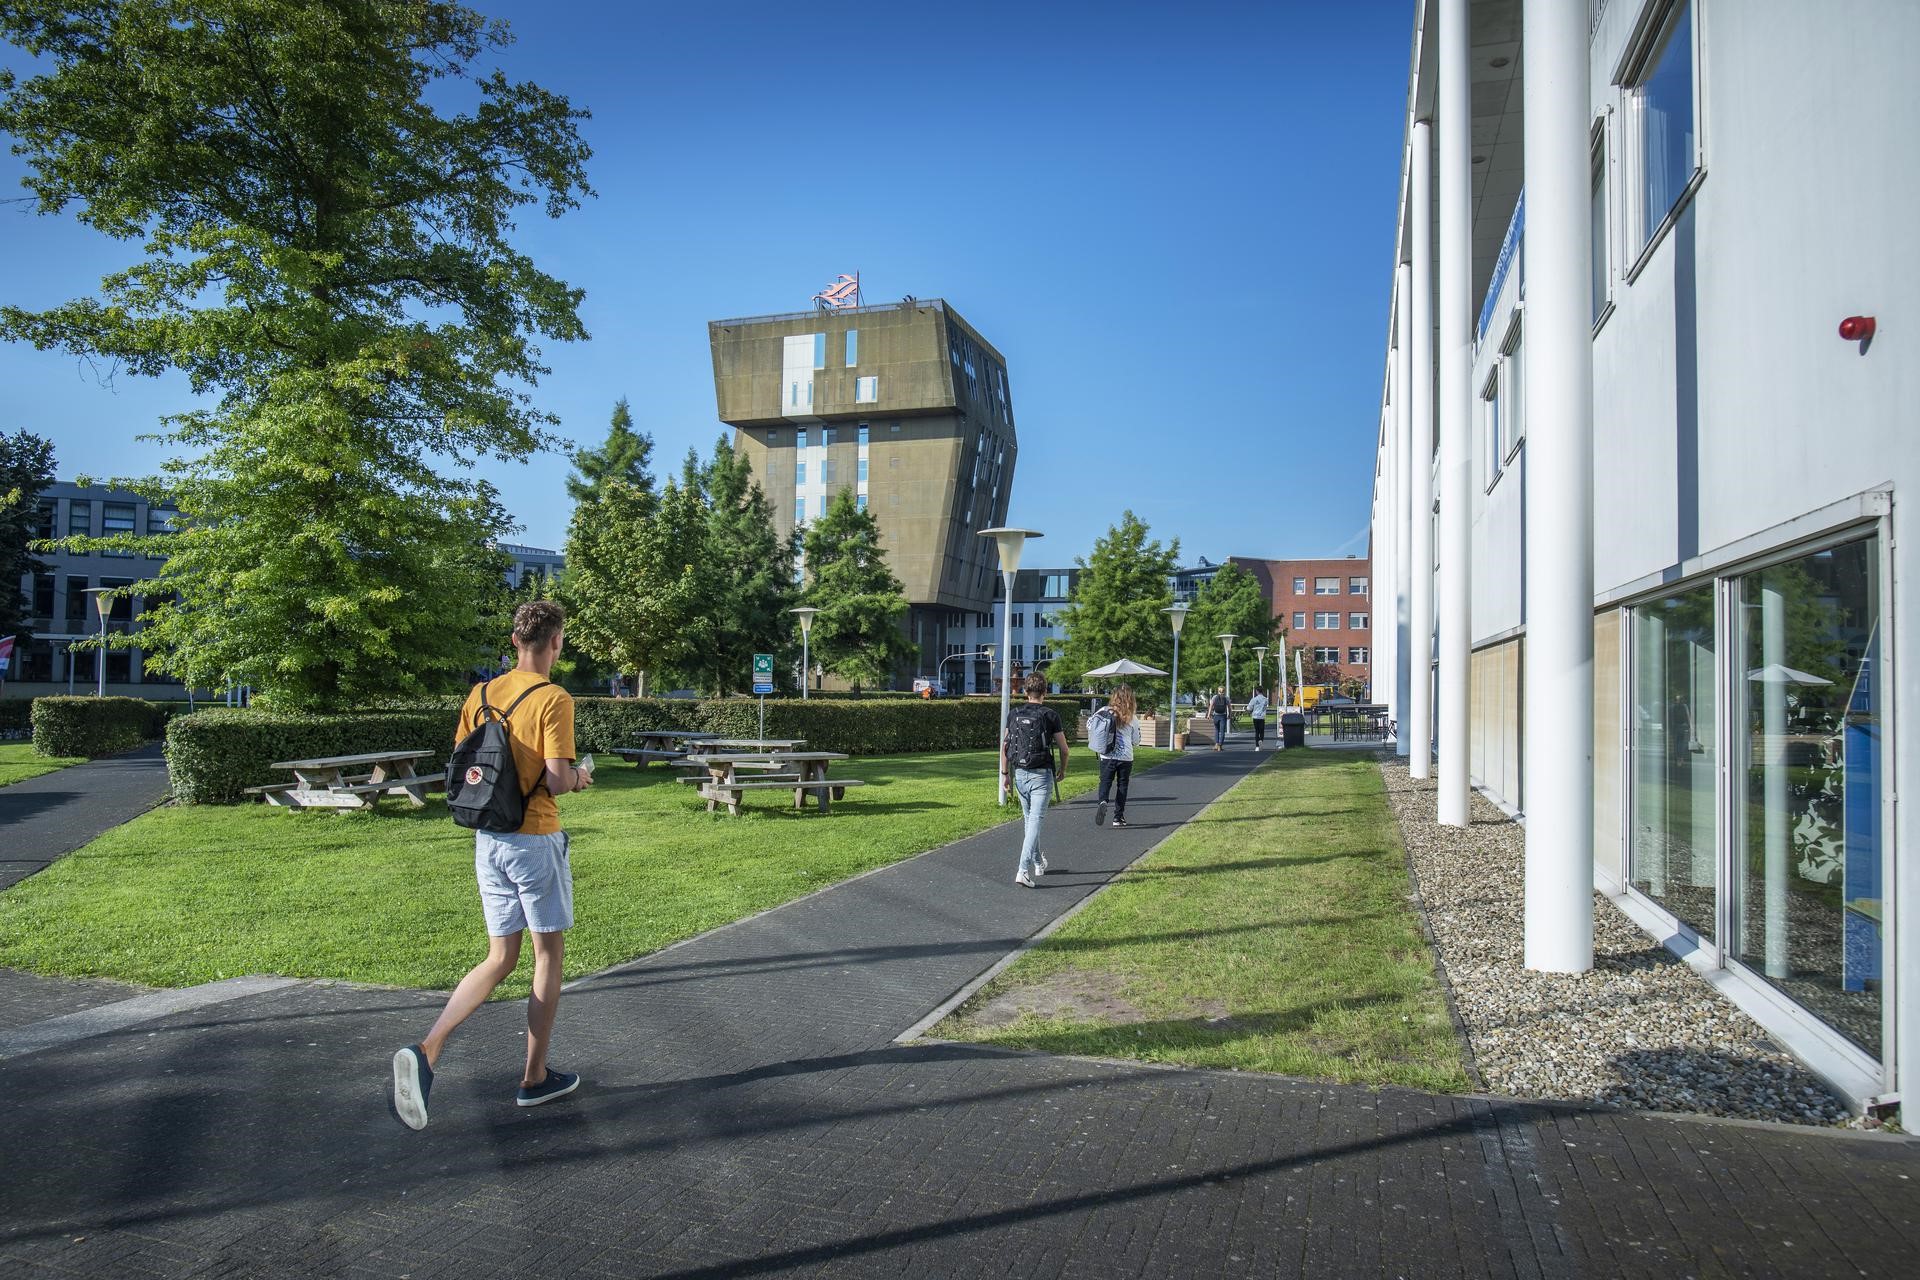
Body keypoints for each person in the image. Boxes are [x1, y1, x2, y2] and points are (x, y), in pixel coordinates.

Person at [392, 600, 592, 1131]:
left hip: (488, 838)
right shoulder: (554, 698)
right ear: (556, 643)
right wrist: (580, 777)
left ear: (513, 641)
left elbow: (467, 766)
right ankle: (534, 1077)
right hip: (534, 839)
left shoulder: (479, 694)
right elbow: (555, 779)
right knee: (547, 955)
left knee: (499, 956)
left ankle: (428, 1050)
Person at [1004, 670, 1069, 888]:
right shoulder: (1050, 715)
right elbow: (1064, 749)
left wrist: (1005, 775)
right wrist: (1062, 769)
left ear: (1025, 691)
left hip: (1019, 772)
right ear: (1045, 691)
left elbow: (1004, 746)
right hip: (1041, 774)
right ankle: (1023, 870)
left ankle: (1038, 863)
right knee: (1035, 820)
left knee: (1029, 820)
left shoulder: (1014, 714)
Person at [1094, 684, 1142, 828]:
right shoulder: (1132, 718)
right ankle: (1118, 817)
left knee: (1105, 781)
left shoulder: (1104, 711)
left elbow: (1090, 725)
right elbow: (1136, 741)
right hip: (1125, 756)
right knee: (1122, 785)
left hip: (1107, 755)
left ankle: (1103, 801)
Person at [1208, 687, 1230, 752]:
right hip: (1223, 716)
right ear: (1224, 691)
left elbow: (1211, 706)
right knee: (1222, 731)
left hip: (1216, 716)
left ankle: (1216, 744)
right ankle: (1220, 745)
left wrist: (1209, 715)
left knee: (1217, 730)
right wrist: (1230, 715)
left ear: (1218, 691)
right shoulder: (1226, 698)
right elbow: (1229, 707)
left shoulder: (1214, 697)